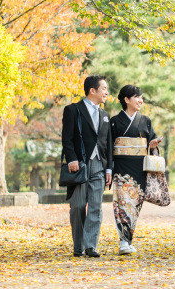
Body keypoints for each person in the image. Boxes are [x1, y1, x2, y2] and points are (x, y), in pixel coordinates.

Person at [62, 75, 113, 258]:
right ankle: (79, 245)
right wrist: (72, 159)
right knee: (77, 206)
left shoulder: (105, 115)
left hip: (99, 166)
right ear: (93, 90)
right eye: (104, 89)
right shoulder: (73, 110)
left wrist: (109, 168)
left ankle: (91, 245)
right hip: (79, 166)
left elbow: (107, 143)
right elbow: (66, 139)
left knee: (95, 207)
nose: (106, 92)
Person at [110, 84, 162, 255]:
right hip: (121, 168)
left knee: (135, 206)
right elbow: (108, 148)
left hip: (139, 169)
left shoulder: (145, 120)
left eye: (141, 97)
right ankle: (123, 242)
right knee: (123, 205)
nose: (141, 100)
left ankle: (128, 239)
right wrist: (108, 170)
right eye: (137, 97)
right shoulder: (115, 122)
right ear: (126, 99)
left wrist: (152, 145)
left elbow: (151, 142)